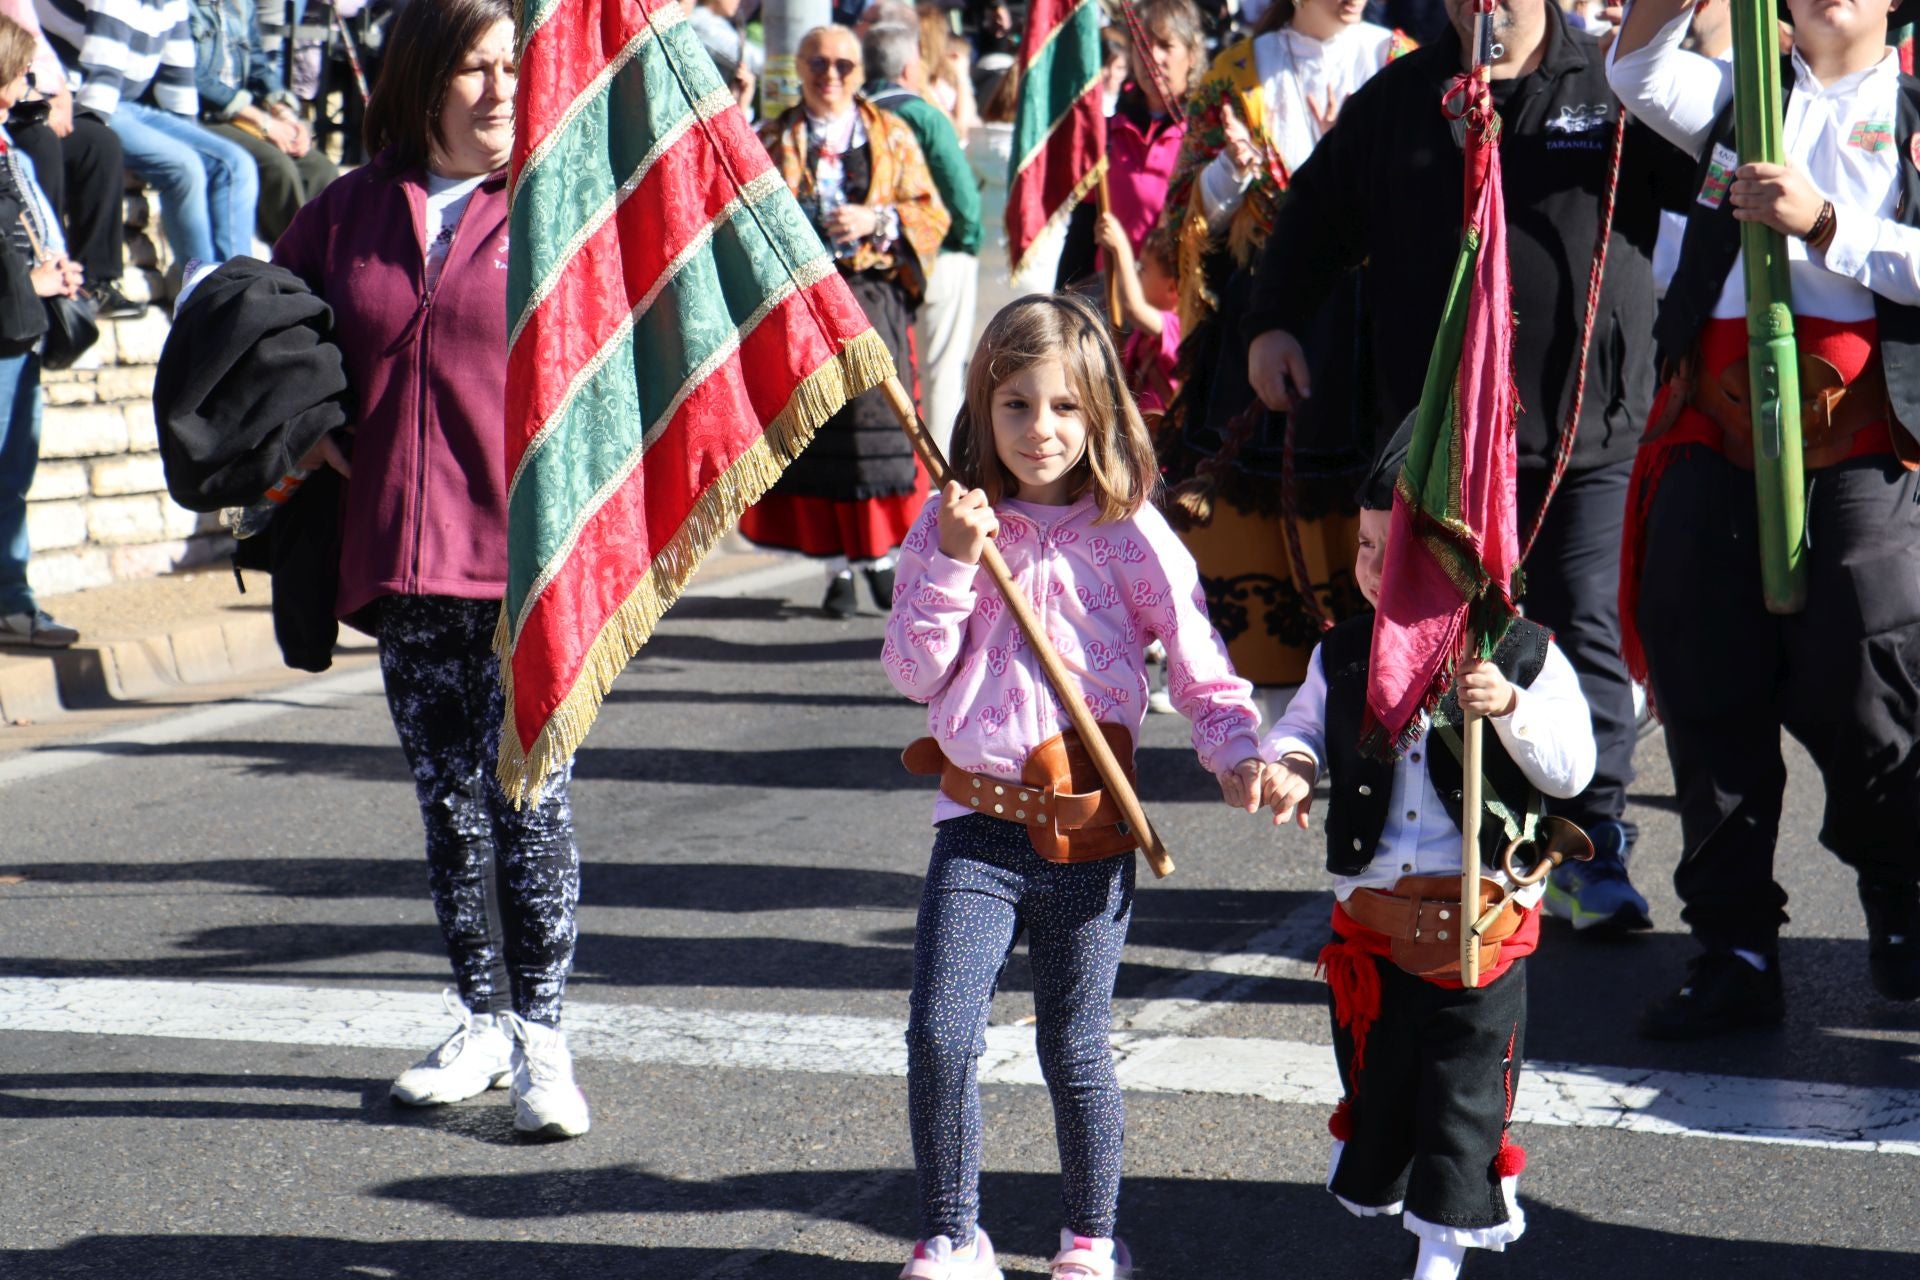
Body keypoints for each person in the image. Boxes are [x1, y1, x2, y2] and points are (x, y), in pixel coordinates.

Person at [1245, 0, 1698, 933]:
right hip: (1438, 437)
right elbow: (1314, 217)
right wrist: (1274, 321)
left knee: (1578, 631)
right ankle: (1437, 847)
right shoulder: (1402, 98)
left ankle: (1591, 839)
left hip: (1584, 426)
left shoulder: (1615, 88)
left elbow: (1709, 192)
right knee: (1426, 631)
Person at [885, 293, 1264, 1280]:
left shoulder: (1130, 528)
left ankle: (1091, 1235)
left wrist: (1238, 753)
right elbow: (911, 672)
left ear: (1099, 413)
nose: (1039, 429)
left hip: (1090, 828)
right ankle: (951, 1231)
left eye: (1062, 406)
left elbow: (1197, 657)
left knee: (1075, 1044)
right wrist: (956, 568)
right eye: (1015, 404)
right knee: (938, 1032)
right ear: (982, 407)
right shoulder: (948, 520)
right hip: (975, 820)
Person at [272, 0, 592, 1138]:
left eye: (513, 65)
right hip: (402, 564)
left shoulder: (559, 202)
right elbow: (275, 330)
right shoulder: (347, 210)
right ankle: (478, 1016)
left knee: (529, 798)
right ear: (419, 82)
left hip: (527, 566)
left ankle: (545, 1038)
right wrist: (307, 427)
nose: (503, 90)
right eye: (475, 69)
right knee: (449, 807)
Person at [1609, 0, 1920, 1035]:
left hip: (1866, 444)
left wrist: (1827, 223)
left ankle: (1900, 894)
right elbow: (1637, 68)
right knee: (1705, 680)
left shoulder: (1914, 107)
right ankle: (1734, 944)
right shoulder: (1741, 94)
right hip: (1719, 429)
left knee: (1865, 673)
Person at [1260, 421, 1596, 1280]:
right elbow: (1300, 727)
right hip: (1373, 927)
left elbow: (1571, 770)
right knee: (1387, 1092)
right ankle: (1412, 1204)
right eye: (1366, 546)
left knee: (1464, 1103)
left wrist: (1510, 708)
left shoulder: (1519, 651)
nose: (1375, 566)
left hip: (1477, 931)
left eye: (1397, 550)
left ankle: (1441, 1257)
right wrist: (1291, 766)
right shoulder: (1341, 651)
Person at [1155, 0, 1413, 689]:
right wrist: (1229, 174)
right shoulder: (1235, 75)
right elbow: (1183, 223)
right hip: (1265, 322)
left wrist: (1352, 172)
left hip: (1373, 335)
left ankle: (1381, 700)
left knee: (1376, 511)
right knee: (1258, 533)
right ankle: (1270, 720)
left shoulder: (1404, 65)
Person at [742, 24, 948, 618]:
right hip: (800, 307)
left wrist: (875, 220)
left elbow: (931, 215)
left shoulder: (893, 136)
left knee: (876, 427)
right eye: (817, 64)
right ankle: (835, 567)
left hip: (870, 298)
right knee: (817, 432)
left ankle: (877, 558)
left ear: (860, 74)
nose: (829, 76)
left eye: (843, 66)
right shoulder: (773, 137)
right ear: (799, 69)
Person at [38, 0, 260, 269]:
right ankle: (203, 290)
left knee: (236, 164)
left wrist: (187, 135)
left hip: (128, 104)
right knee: (184, 166)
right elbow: (101, 80)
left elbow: (177, 78)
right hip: (83, 101)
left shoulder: (172, 4)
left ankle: (240, 284)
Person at [0, 12, 84, 649]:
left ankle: (12, 601)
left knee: (12, 475)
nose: (29, 83)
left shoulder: (7, 146)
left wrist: (52, 266)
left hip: (17, 337)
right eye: (22, 72)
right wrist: (30, 283)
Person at [864, 20, 981, 456]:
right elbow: (962, 197)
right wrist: (966, 243)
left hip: (872, 264)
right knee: (941, 373)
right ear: (911, 67)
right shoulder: (925, 114)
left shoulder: (853, 112)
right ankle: (938, 474)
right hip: (936, 255)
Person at [0, 0, 140, 318]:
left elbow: (34, 44)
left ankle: (94, 281)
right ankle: (35, 270)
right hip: (16, 102)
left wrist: (58, 91)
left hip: (27, 94)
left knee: (98, 143)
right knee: (41, 145)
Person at [190, 0, 338, 244]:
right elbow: (195, 79)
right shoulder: (185, 6)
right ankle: (295, 260)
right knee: (278, 168)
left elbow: (258, 67)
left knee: (320, 169)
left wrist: (285, 115)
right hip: (204, 116)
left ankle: (329, 260)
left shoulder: (240, 5)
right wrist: (264, 122)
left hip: (244, 116)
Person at [1095, 216, 1182, 424]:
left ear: (1171, 287)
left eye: (1142, 268)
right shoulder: (1141, 333)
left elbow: (1133, 308)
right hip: (1136, 431)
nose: (1136, 272)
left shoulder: (1178, 325)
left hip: (1159, 440)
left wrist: (1121, 249)